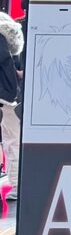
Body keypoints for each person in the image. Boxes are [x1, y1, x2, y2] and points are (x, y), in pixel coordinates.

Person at [0, 12, 24, 203]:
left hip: (4, 97)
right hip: (9, 95)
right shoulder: (10, 37)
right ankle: (17, 182)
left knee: (11, 140)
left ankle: (17, 184)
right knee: (12, 139)